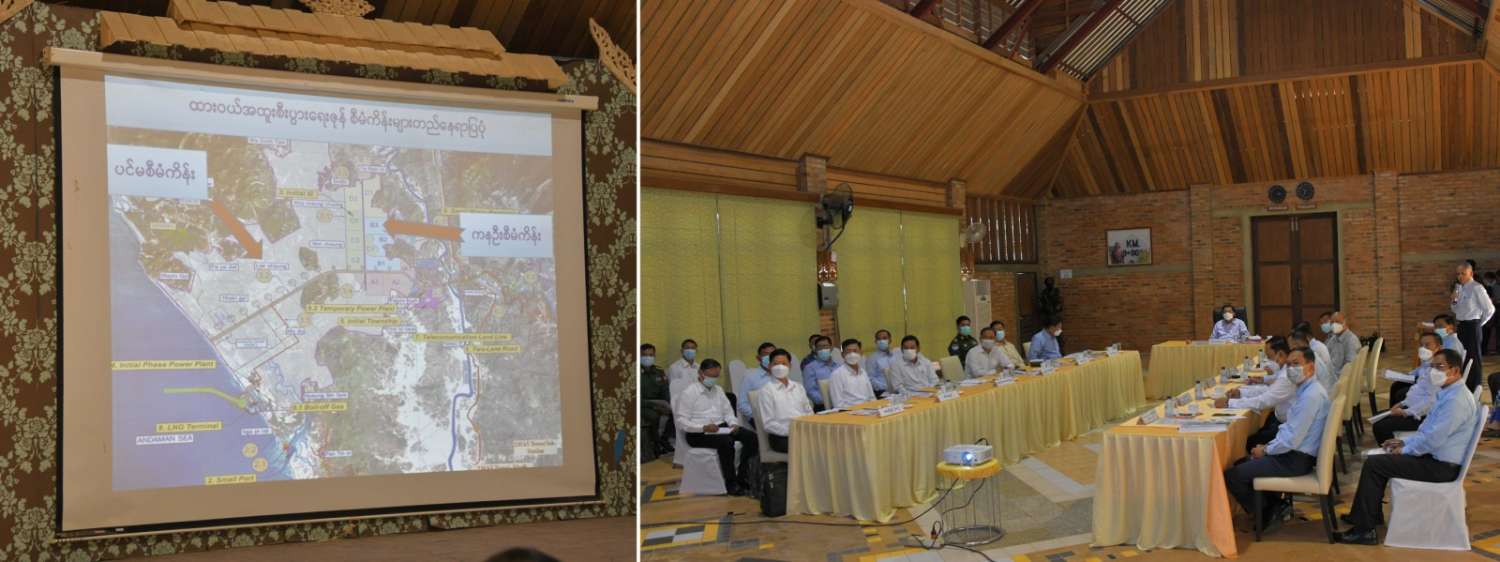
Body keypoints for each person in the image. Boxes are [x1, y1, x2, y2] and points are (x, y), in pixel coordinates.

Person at [1336, 349, 1476, 545]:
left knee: (1375, 465)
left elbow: (1433, 439)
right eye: (1432, 367)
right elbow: (1427, 430)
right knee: (1378, 460)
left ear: (1455, 370)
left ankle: (1365, 529)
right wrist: (1405, 443)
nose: (1434, 371)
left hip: (1442, 467)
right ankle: (1367, 516)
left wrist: (1405, 450)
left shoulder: (1456, 401)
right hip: (1435, 458)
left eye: (1440, 367)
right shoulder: (1448, 393)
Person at [1223, 347, 1329, 532]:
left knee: (1233, 475)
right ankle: (1275, 505)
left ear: (1311, 367)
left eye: (1296, 364)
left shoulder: (1311, 396)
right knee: (1241, 463)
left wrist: (1265, 450)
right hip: (1294, 453)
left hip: (1295, 459)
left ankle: (1267, 511)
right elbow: (1289, 431)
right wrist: (1268, 446)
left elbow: (1292, 439)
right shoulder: (1307, 390)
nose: (1291, 369)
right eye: (1289, 365)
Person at [674, 359, 758, 496]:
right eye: (710, 375)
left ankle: (743, 477)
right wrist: (703, 427)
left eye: (716, 376)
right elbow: (681, 421)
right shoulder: (689, 393)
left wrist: (733, 424)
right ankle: (730, 482)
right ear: (700, 373)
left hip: (720, 428)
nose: (713, 379)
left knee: (752, 437)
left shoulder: (718, 390)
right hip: (698, 433)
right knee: (726, 442)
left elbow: (728, 412)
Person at [1214, 337, 1293, 452]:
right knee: (1257, 434)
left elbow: (1264, 401)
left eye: (1270, 357)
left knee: (1250, 442)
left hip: (1285, 424)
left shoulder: (1287, 375)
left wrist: (1229, 403)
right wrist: (1241, 393)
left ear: (1280, 354)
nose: (1268, 361)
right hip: (1279, 418)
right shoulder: (1284, 370)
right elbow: (1269, 390)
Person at [1373, 333, 1444, 443]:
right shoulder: (1429, 367)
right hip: (1415, 408)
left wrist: (1406, 412)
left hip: (1423, 416)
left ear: (1439, 347)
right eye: (1421, 345)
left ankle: (1393, 450)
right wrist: (1402, 404)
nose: (1423, 348)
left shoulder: (1438, 373)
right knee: (1378, 417)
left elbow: (1430, 402)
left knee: (1380, 426)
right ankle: (1391, 447)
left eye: (1427, 345)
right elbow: (1418, 390)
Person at [754, 349, 813, 454]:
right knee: (810, 447)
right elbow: (768, 424)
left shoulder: (798, 387)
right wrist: (792, 431)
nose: (780, 367)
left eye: (784, 363)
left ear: (790, 366)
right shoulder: (766, 391)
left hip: (803, 431)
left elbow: (809, 412)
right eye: (775, 364)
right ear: (769, 366)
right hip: (781, 437)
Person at [1452, 262, 1494, 391]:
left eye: (1463, 273)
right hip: (1462, 325)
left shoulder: (1477, 288)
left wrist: (1478, 324)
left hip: (1472, 325)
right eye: (1458, 274)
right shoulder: (1459, 288)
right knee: (1462, 356)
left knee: (1474, 358)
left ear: (1470, 273)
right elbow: (1455, 310)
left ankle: (1475, 387)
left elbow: (1489, 309)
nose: (1460, 276)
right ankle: (1465, 386)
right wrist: (1454, 300)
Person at [640, 343, 674, 458]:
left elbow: (665, 391)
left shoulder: (659, 372)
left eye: (651, 355)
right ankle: (656, 444)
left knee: (676, 411)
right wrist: (655, 406)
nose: (648, 358)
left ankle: (664, 440)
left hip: (658, 403)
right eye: (644, 355)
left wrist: (668, 404)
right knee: (653, 416)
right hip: (642, 405)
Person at [736, 342, 778, 427]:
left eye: (773, 354)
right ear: (758, 358)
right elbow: (742, 404)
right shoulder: (750, 376)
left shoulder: (780, 374)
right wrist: (758, 415)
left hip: (780, 416)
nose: (770, 357)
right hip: (758, 418)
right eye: (766, 354)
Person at [828, 339, 875, 409]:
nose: (852, 354)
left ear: (861, 353)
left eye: (855, 351)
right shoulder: (836, 375)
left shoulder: (863, 372)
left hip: (870, 409)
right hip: (851, 412)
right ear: (842, 354)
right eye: (848, 351)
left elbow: (872, 397)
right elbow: (838, 405)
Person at [1321, 311, 1360, 382]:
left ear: (1345, 322)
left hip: (1340, 380)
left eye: (1337, 322)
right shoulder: (1333, 338)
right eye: (1332, 322)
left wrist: (1332, 378)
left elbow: (1350, 367)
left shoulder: (1351, 340)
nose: (1334, 325)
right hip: (1331, 375)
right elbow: (1325, 355)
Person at [802, 336, 837, 411]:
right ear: (815, 349)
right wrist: (825, 401)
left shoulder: (837, 366)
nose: (823, 349)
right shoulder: (809, 368)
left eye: (825, 346)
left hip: (841, 403)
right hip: (822, 406)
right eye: (819, 347)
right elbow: (810, 390)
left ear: (831, 348)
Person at [866, 330, 895, 398]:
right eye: (879, 339)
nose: (882, 341)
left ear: (890, 340)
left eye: (884, 338)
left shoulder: (895, 355)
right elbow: (870, 378)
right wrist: (886, 387)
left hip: (897, 389)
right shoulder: (872, 358)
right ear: (875, 341)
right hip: (882, 391)